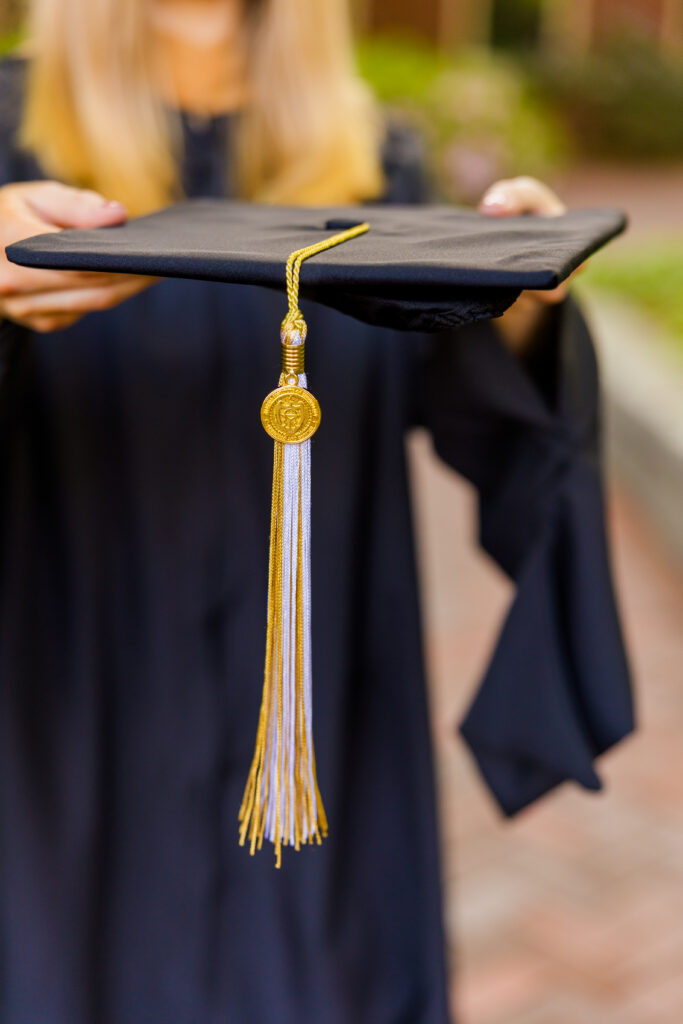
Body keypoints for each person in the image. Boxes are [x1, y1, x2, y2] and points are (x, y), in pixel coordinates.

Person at [0, 2, 632, 1022]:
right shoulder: (8, 137)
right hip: (69, 705)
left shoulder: (372, 157)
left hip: (315, 698)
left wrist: (512, 307)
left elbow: (475, 406)